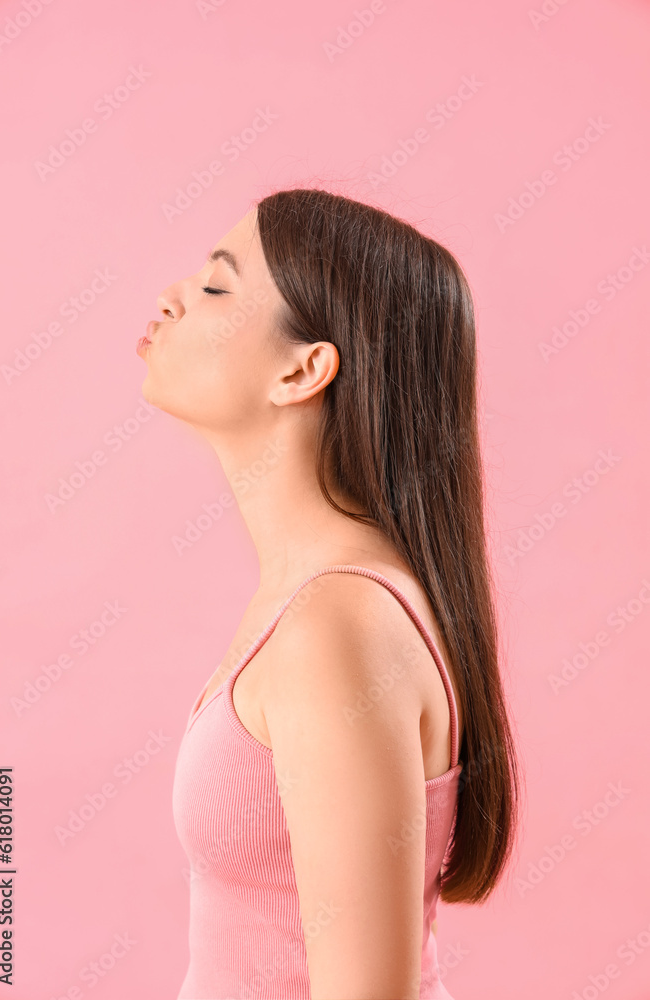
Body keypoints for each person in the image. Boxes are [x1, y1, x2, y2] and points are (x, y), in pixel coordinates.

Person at [138, 188, 521, 999]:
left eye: (216, 286)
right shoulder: (317, 602)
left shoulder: (334, 624)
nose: (170, 297)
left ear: (301, 369)